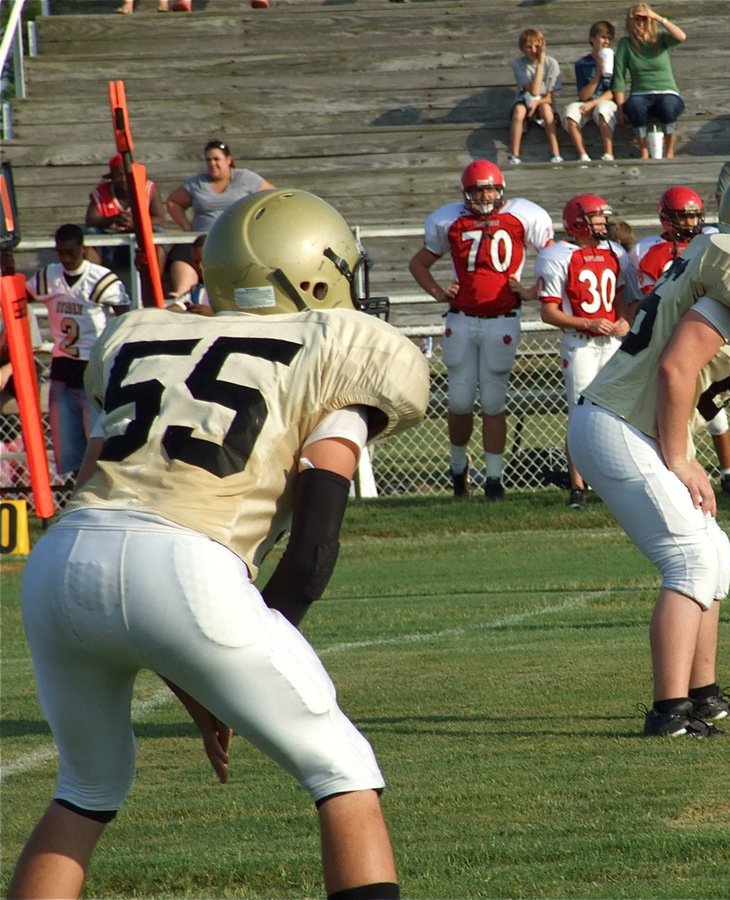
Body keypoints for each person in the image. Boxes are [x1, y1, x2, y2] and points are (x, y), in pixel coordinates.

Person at [9, 189, 429, 900]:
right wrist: (245, 649)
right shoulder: (336, 353)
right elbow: (314, 544)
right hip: (187, 564)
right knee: (344, 770)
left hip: (61, 564)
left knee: (85, 786)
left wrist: (207, 677)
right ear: (314, 278)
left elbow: (100, 499)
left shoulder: (146, 338)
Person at [567, 166, 730, 737]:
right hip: (618, 423)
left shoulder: (723, 264)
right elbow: (676, 366)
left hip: (628, 422)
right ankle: (669, 713)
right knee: (688, 560)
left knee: (714, 554)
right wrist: (680, 457)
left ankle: (703, 696)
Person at [408, 160, 554, 500]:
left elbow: (552, 259)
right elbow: (419, 263)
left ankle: (493, 479)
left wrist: (533, 291)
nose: (485, 196)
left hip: (502, 318)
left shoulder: (522, 216)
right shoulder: (451, 220)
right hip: (460, 318)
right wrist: (439, 292)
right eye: (477, 190)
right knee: (458, 400)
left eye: (489, 189)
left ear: (501, 189)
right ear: (466, 193)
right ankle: (458, 470)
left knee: (493, 401)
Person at [629, 185, 730, 495]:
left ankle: (729, 472)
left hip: (700, 332)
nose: (691, 223)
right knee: (668, 407)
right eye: (683, 217)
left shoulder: (710, 242)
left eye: (694, 216)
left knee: (712, 408)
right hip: (665, 334)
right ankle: (672, 469)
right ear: (666, 219)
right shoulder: (647, 251)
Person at [537, 194, 632, 508]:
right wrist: (587, 323)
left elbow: (621, 298)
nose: (604, 223)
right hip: (580, 344)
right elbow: (548, 312)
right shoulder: (556, 255)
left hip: (611, 343)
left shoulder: (615, 251)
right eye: (597, 218)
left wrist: (622, 321)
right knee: (580, 416)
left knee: (616, 414)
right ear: (579, 222)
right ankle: (578, 487)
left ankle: (612, 480)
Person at [31, 224, 130, 479]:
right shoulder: (48, 277)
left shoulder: (99, 278)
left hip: (93, 368)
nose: (64, 259)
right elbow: (16, 297)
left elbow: (125, 319)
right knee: (69, 451)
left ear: (83, 249)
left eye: (70, 252)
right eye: (60, 252)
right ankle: (74, 500)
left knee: (99, 447)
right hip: (62, 369)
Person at [164, 140, 274, 298]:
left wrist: (256, 224)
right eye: (208, 160)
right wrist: (186, 227)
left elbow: (272, 198)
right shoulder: (198, 183)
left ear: (228, 160)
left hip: (235, 239)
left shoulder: (246, 178)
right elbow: (173, 202)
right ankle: (184, 293)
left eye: (216, 159)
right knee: (183, 250)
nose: (212, 164)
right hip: (202, 238)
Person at [612, 3, 687, 160]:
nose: (641, 23)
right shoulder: (626, 44)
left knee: (668, 106)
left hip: (666, 92)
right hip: (641, 94)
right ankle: (644, 151)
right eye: (637, 19)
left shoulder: (660, 40)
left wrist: (657, 17)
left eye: (644, 19)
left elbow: (681, 37)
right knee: (636, 107)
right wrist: (619, 109)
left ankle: (669, 151)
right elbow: (619, 76)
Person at [84, 154, 168, 276]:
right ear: (111, 177)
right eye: (119, 175)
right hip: (111, 244)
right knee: (91, 234)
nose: (124, 179)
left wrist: (137, 224)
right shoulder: (101, 193)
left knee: (159, 233)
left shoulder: (148, 188)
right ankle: (94, 279)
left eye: (127, 174)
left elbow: (160, 219)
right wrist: (112, 219)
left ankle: (154, 279)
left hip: (141, 242)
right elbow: (91, 220)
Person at [564, 20, 618, 163]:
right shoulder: (582, 64)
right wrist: (598, 73)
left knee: (602, 110)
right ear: (592, 39)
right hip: (586, 101)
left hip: (604, 101)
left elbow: (614, 91)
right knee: (570, 113)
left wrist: (593, 103)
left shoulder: (615, 61)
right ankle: (583, 156)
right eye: (602, 37)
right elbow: (583, 95)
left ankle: (608, 154)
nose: (606, 41)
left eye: (609, 38)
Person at [508, 28, 563, 165]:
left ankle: (556, 153)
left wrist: (537, 104)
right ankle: (514, 155)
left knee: (546, 110)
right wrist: (539, 64)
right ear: (522, 48)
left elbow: (549, 97)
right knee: (518, 112)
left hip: (544, 101)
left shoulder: (552, 64)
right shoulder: (518, 65)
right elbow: (533, 91)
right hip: (525, 99)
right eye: (528, 47)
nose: (533, 50)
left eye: (537, 46)